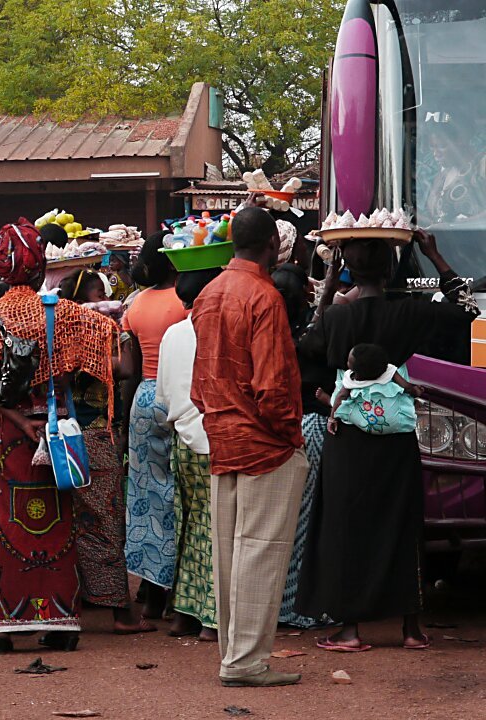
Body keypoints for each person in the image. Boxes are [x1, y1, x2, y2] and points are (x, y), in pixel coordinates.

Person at [295, 231, 479, 651]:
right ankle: (412, 629)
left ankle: (351, 630)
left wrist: (326, 294)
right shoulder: (411, 313)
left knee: (346, 525)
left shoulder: (336, 319)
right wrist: (435, 256)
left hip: (349, 437)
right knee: (402, 521)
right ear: (391, 268)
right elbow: (467, 309)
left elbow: (305, 346)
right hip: (396, 434)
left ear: (347, 267)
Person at [0, 220, 118, 653]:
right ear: (39, 264)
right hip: (58, 428)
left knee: (6, 522)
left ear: (1, 268)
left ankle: (8, 624)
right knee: (59, 524)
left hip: (9, 433)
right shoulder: (64, 313)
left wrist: (16, 415)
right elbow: (106, 343)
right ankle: (59, 621)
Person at [190, 206, 308, 687]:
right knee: (260, 552)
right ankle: (244, 662)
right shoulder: (265, 296)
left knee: (231, 555)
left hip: (222, 437)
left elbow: (200, 384)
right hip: (264, 443)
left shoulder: (210, 292)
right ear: (269, 247)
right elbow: (274, 385)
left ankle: (234, 656)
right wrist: (289, 434)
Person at [58, 267, 153, 636]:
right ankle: (121, 612)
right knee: (106, 522)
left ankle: (79, 597)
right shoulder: (102, 329)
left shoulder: (62, 330)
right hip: (95, 437)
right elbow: (127, 369)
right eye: (99, 291)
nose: (105, 297)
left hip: (64, 435)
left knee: (73, 521)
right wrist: (121, 332)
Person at [121, 233, 188, 618]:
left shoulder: (135, 304)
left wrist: (125, 419)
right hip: (181, 396)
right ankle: (180, 593)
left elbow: (129, 372)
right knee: (183, 494)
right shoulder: (186, 302)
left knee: (148, 497)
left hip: (145, 399)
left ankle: (150, 590)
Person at [155, 268, 222, 642]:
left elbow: (163, 397)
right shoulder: (220, 331)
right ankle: (211, 619)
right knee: (213, 531)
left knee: (186, 527)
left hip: (182, 441)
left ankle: (182, 614)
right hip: (216, 441)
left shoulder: (173, 334)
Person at [271, 263, 331, 629]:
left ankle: (280, 604)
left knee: (283, 521)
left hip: (280, 431)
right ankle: (304, 605)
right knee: (310, 522)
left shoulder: (269, 333)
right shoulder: (314, 334)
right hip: (314, 429)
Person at [319, 343, 422, 435]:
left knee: (341, 405)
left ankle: (329, 401)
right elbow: (406, 387)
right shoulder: (389, 370)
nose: (347, 363)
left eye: (349, 362)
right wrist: (415, 391)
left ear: (356, 370)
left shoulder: (350, 379)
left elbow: (341, 396)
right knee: (402, 396)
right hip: (395, 424)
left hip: (364, 423)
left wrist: (332, 419)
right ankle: (413, 404)